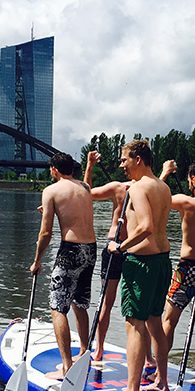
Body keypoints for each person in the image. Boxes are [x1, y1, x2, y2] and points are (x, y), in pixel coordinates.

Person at [141, 159, 195, 391]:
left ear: (194, 180)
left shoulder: (186, 202)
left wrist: (164, 173)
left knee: (168, 321)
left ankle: (160, 375)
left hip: (187, 269)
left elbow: (153, 196)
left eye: (189, 180)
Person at [103, 140, 172, 391]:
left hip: (141, 264)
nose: (122, 164)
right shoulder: (163, 187)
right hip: (162, 262)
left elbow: (145, 227)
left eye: (124, 160)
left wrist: (120, 246)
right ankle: (162, 381)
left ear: (139, 159)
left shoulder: (140, 188)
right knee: (155, 322)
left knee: (134, 326)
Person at [29, 152, 97, 379]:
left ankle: (67, 366)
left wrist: (37, 260)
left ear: (54, 170)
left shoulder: (50, 190)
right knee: (80, 303)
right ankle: (84, 352)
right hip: (91, 249)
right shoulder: (85, 188)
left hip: (70, 251)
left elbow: (46, 232)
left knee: (58, 307)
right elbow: (75, 211)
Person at [82, 150, 131, 364]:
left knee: (107, 302)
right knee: (117, 303)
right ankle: (99, 347)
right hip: (129, 247)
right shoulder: (143, 187)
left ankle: (99, 349)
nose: (121, 166)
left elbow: (86, 193)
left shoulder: (119, 187)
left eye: (123, 161)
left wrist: (89, 165)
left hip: (117, 246)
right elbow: (87, 193)